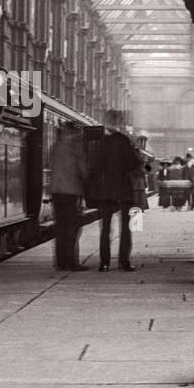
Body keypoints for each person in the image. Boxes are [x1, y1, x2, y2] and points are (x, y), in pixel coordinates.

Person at [85, 109, 139, 271]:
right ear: (119, 122)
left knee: (106, 228)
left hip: (105, 190)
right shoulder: (124, 141)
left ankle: (104, 263)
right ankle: (124, 262)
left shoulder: (100, 141)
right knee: (125, 228)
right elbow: (132, 164)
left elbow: (94, 166)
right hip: (123, 188)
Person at [49, 123, 88, 272]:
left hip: (56, 191)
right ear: (73, 133)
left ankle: (60, 262)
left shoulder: (55, 147)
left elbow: (51, 166)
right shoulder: (76, 148)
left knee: (60, 228)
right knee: (72, 229)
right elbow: (83, 170)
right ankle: (71, 262)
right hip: (71, 192)